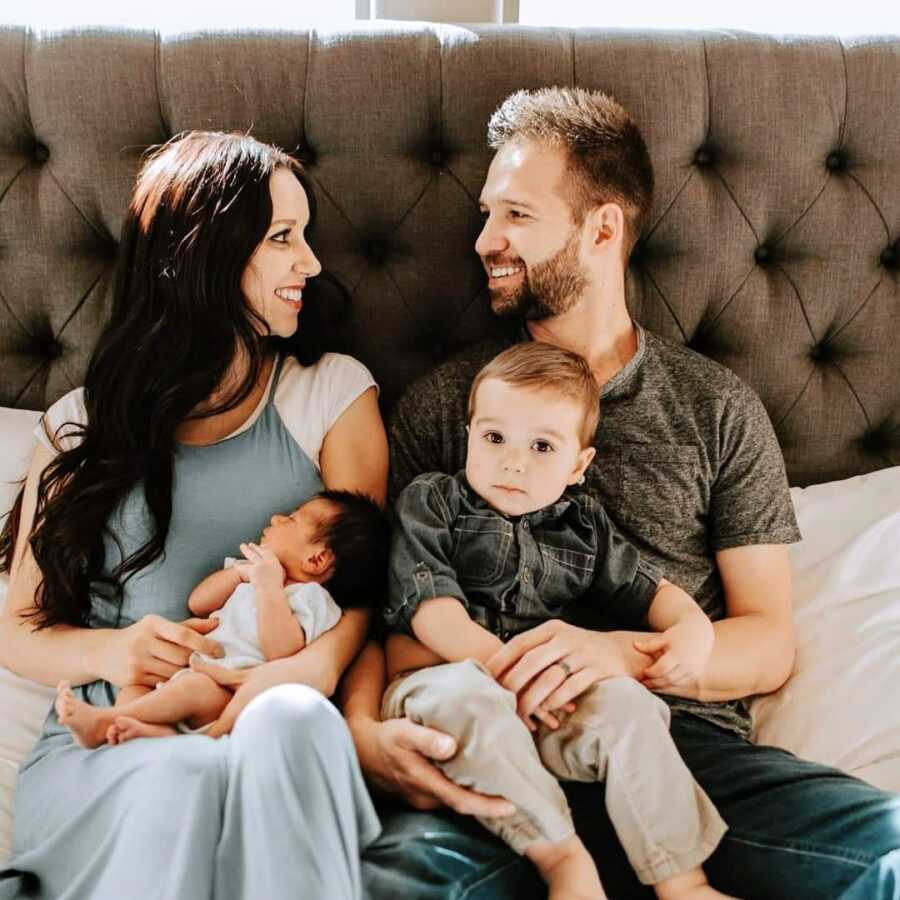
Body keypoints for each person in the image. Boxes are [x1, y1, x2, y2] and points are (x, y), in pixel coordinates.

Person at [349, 88, 900, 899]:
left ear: (602, 228)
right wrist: (363, 732)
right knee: (400, 886)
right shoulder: (450, 407)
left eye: (516, 216)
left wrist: (620, 658)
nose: (485, 240)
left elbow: (767, 641)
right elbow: (383, 609)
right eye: (486, 213)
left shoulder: (713, 408)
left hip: (680, 752)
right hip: (491, 740)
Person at [0, 130, 388, 900]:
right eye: (282, 238)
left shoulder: (331, 394)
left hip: (266, 716)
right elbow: (18, 629)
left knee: (291, 724)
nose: (309, 263)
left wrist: (313, 665)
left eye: (304, 237)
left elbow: (368, 586)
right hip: (114, 742)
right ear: (205, 256)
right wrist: (112, 654)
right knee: (185, 775)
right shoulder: (82, 424)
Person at [382, 342, 733, 900]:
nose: (513, 462)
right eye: (494, 437)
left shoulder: (583, 526)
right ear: (470, 432)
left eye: (542, 446)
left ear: (578, 466)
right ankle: (563, 861)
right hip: (440, 686)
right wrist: (506, 668)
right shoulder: (434, 501)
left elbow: (653, 593)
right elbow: (432, 613)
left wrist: (693, 628)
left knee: (629, 703)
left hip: (538, 702)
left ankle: (683, 880)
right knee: (470, 699)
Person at [55, 490, 389, 748]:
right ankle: (150, 732)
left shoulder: (312, 600)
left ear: (316, 559)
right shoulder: (247, 576)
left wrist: (269, 588)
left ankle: (106, 720)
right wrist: (238, 576)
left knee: (190, 687)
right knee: (136, 687)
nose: (275, 518)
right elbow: (198, 602)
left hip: (228, 691)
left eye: (291, 519)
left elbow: (282, 651)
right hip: (189, 671)